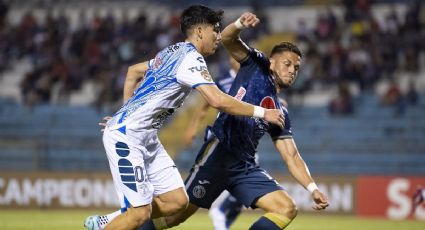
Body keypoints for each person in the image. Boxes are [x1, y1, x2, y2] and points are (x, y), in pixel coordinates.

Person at [83, 6, 284, 230]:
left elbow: (133, 72)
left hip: (145, 138)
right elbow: (217, 100)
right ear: (199, 31)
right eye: (215, 30)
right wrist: (262, 112)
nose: (218, 36)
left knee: (177, 202)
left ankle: (111, 220)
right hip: (127, 138)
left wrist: (126, 112)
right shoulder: (191, 59)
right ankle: (119, 220)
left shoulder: (172, 51)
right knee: (139, 215)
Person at [141, 12, 329, 230]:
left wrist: (312, 188)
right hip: (219, 153)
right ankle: (127, 224)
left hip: (244, 166)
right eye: (287, 64)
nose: (291, 71)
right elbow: (229, 39)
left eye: (296, 68)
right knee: (175, 216)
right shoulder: (257, 66)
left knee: (286, 208)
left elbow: (292, 156)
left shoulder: (280, 112)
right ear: (272, 62)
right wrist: (240, 24)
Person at [183, 55, 245, 230]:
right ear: (230, 60)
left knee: (244, 187)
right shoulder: (222, 81)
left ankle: (221, 218)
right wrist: (192, 128)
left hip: (245, 139)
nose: (239, 59)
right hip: (223, 138)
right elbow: (203, 107)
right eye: (235, 56)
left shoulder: (252, 79)